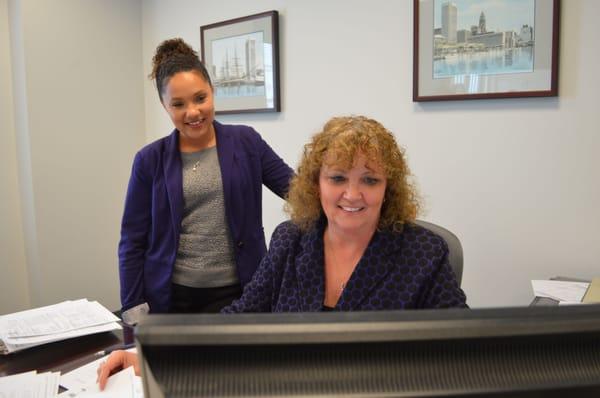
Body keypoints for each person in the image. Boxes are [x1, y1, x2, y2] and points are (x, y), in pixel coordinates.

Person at [98, 115, 466, 389]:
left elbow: (468, 351)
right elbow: (236, 319)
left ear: (389, 187)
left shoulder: (423, 254)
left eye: (370, 180)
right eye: (337, 178)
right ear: (315, 183)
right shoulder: (291, 240)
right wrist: (151, 355)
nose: (352, 195)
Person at [118, 38, 293, 324]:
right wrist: (134, 310)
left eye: (200, 98)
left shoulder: (246, 141)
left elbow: (296, 189)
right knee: (178, 370)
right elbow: (132, 241)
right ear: (165, 106)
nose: (193, 112)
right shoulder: (149, 160)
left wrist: (346, 193)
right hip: (172, 298)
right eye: (178, 104)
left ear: (213, 92)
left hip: (241, 293)